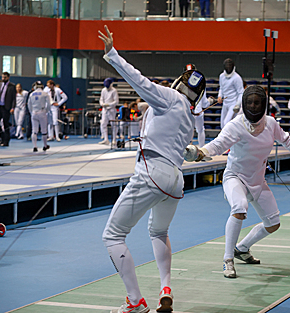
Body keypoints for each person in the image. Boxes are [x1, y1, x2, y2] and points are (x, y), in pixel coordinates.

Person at [98, 25, 206, 313]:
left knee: (113, 235)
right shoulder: (189, 116)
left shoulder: (170, 99)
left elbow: (140, 82)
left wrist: (113, 55)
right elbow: (182, 150)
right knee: (158, 232)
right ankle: (166, 288)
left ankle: (135, 301)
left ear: (181, 84)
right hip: (175, 180)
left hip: (152, 175)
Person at [186, 85, 290, 279]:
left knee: (273, 223)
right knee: (239, 207)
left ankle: (242, 248)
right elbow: (218, 144)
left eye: (257, 102)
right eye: (250, 102)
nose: (253, 106)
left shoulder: (270, 123)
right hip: (235, 177)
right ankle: (228, 259)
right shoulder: (236, 125)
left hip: (258, 180)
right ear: (244, 104)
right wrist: (202, 152)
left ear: (263, 104)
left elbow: (286, 139)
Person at [185, 63, 211, 149]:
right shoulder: (201, 85)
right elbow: (205, 104)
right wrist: (210, 101)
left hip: (186, 113)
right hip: (197, 113)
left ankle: (186, 150)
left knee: (187, 131)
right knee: (200, 130)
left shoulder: (181, 85)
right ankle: (201, 149)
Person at [217, 58, 244, 129]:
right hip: (225, 103)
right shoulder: (221, 76)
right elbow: (221, 88)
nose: (228, 67)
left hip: (233, 104)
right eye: (227, 65)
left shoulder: (237, 78)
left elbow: (241, 93)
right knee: (222, 125)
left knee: (227, 123)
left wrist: (237, 104)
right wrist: (220, 96)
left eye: (230, 65)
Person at [0, 72, 16, 147]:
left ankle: (6, 141)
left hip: (6, 107)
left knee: (6, 124)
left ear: (8, 77)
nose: (3, 79)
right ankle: (2, 135)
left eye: (5, 77)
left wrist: (13, 107)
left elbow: (13, 98)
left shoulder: (12, 86)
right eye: (2, 77)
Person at [27, 81, 50, 152]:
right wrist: (46, 111)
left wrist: (32, 112)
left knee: (34, 131)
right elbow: (48, 104)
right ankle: (45, 145)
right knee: (44, 130)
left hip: (34, 112)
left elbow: (29, 105)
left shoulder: (31, 94)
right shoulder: (45, 94)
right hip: (42, 112)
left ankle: (35, 146)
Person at [99, 78, 119, 145]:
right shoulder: (103, 90)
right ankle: (106, 139)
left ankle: (114, 140)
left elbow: (116, 101)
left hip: (112, 109)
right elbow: (101, 99)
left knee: (113, 124)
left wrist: (109, 104)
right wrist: (102, 104)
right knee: (103, 124)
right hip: (105, 109)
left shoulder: (114, 91)